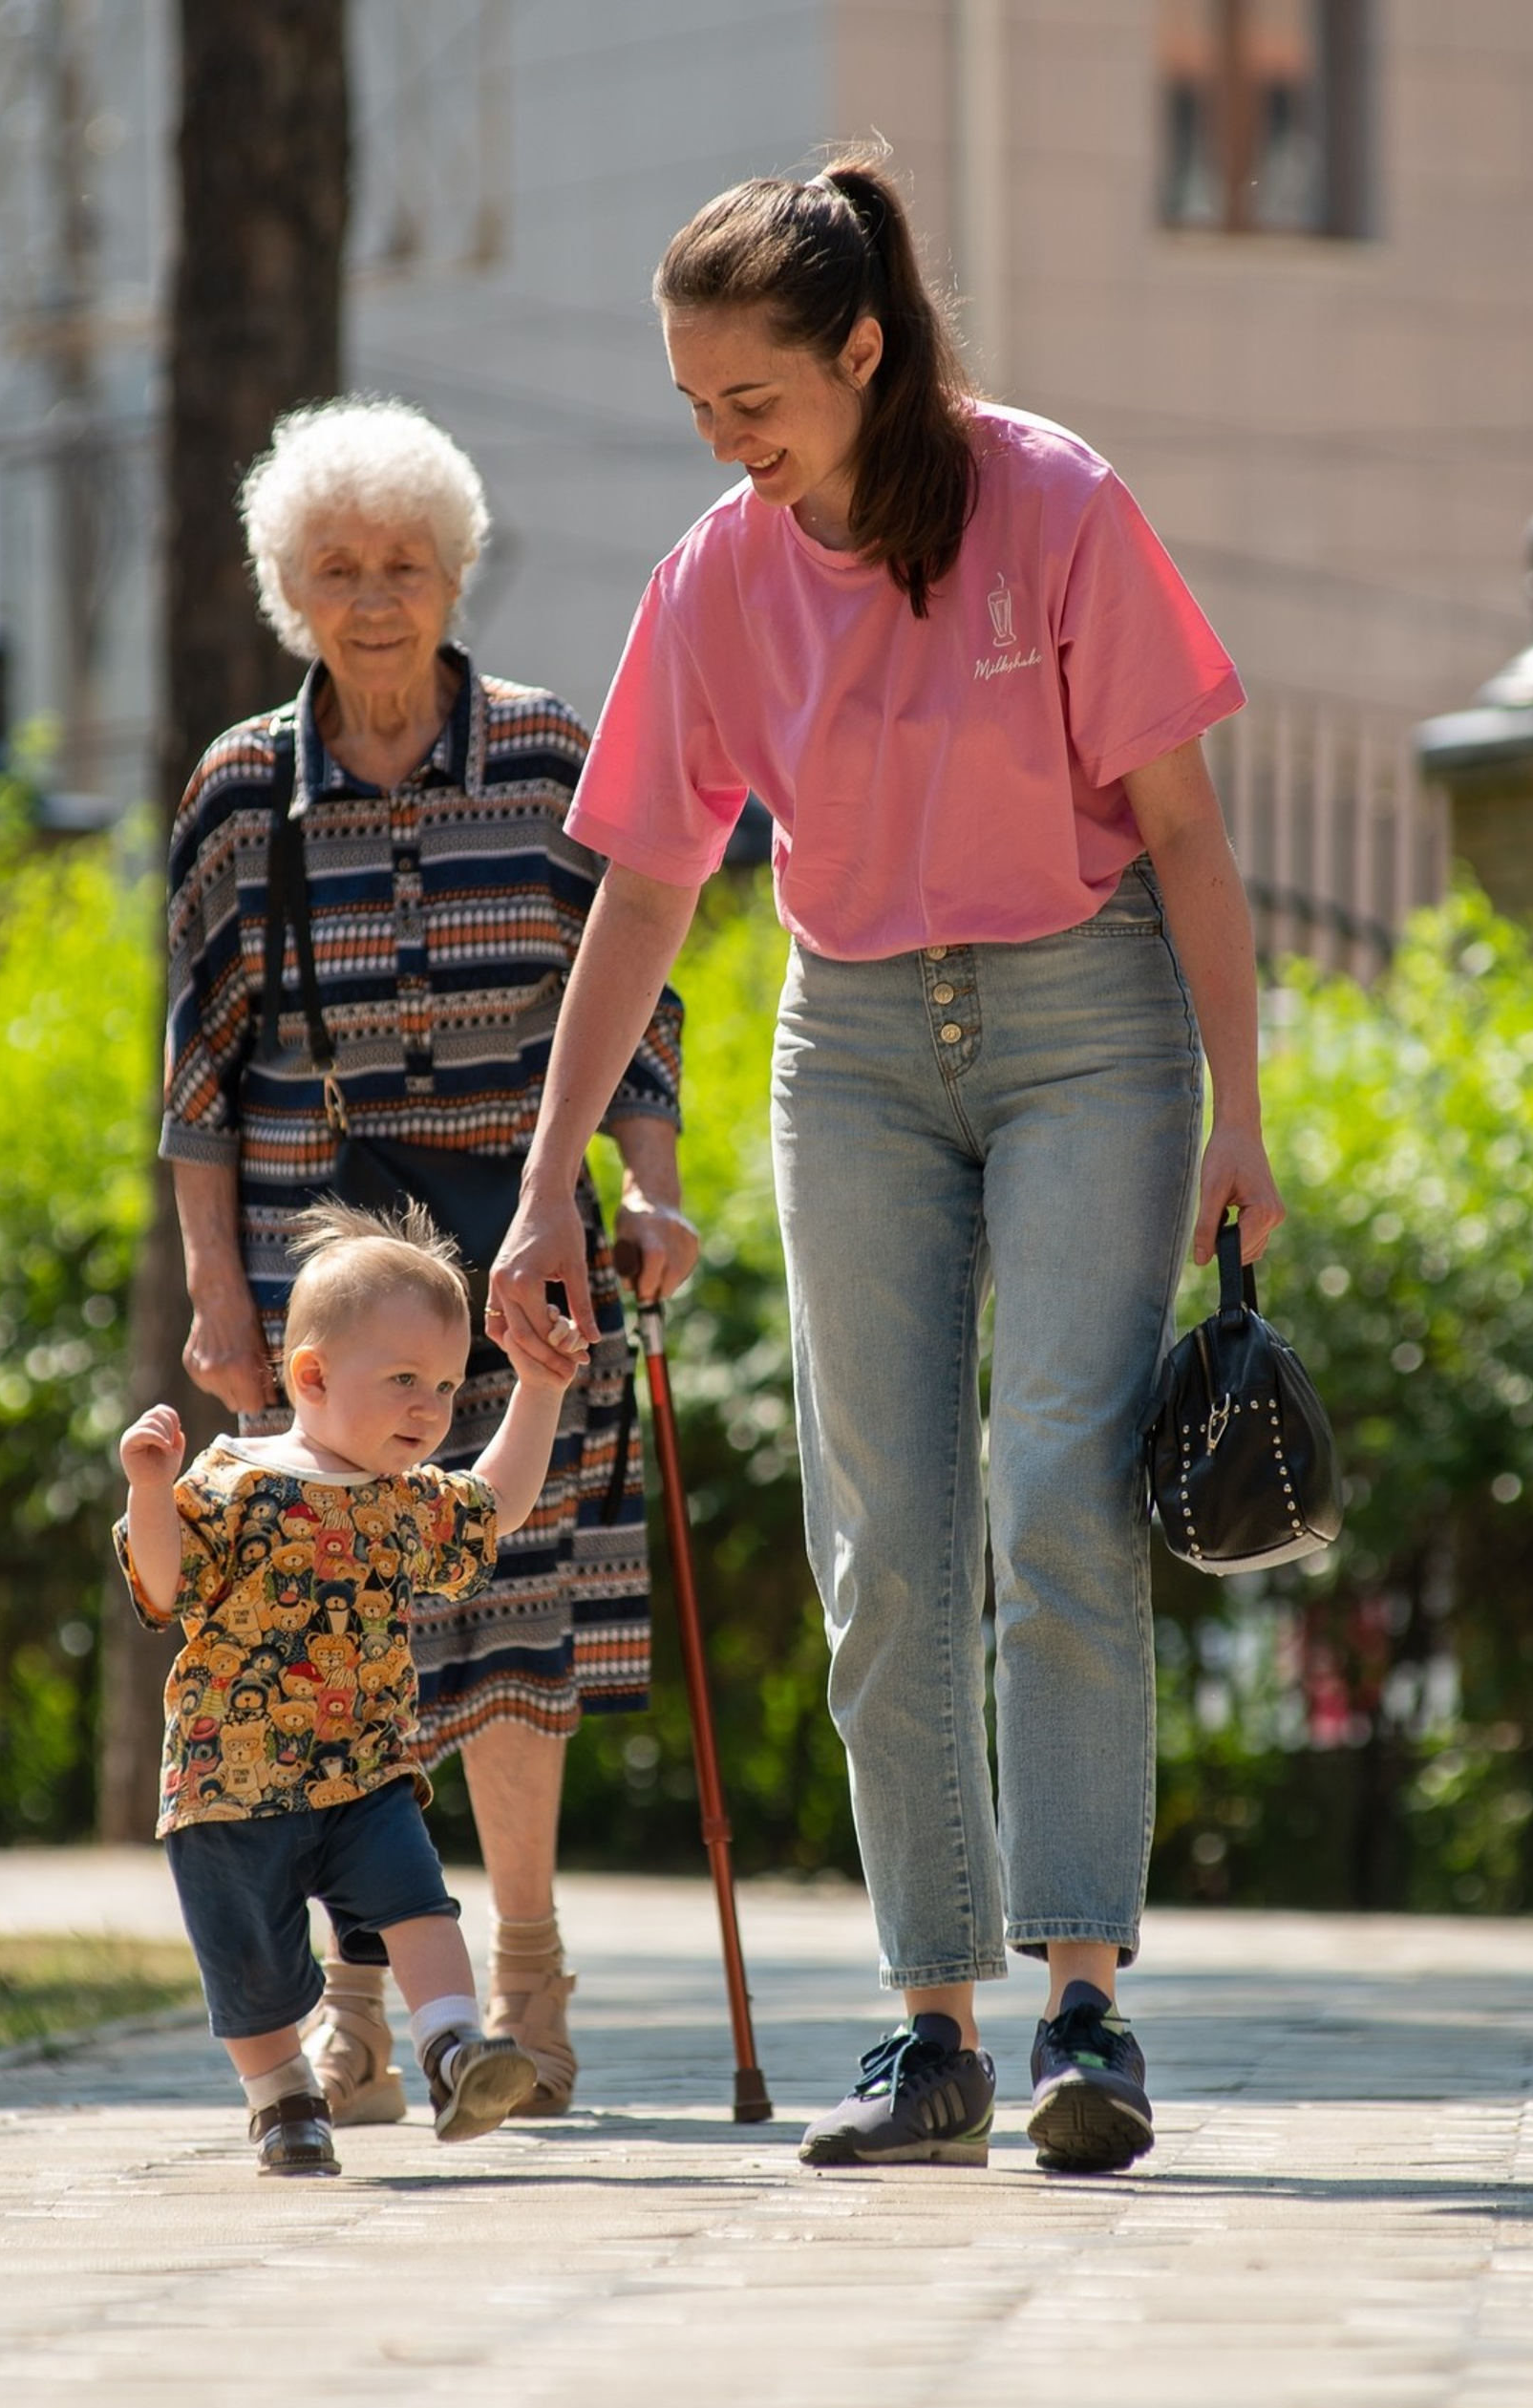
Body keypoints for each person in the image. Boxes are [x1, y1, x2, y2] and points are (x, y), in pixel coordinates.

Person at [489, 155, 1284, 2176]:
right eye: (692, 407)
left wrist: (1245, 1116)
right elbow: (650, 890)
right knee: (879, 1536)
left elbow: (1186, 835)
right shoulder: (716, 571)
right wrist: (541, 1178)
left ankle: (1081, 2002)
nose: (724, 444)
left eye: (751, 399)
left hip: (1087, 1023)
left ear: (863, 349)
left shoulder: (1052, 506)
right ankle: (925, 2023)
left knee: (1051, 1488)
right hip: (845, 1039)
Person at [160, 398, 701, 2123]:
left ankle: (525, 1985)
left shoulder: (551, 757)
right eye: (338, 569)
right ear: (289, 591)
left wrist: (655, 1189)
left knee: (512, 1605)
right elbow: (195, 1071)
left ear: (456, 573)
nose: (375, 597)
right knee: (322, 1621)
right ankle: (360, 2012)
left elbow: (647, 1010)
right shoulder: (245, 786)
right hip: (317, 1277)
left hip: (526, 1245)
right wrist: (218, 1296)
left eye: (405, 564)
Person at [117, 1200, 592, 2174]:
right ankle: (283, 2097)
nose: (430, 1408)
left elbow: (493, 1503)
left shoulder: (402, 1499)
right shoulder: (233, 1481)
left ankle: (456, 2050)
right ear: (312, 1376)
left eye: (449, 1387)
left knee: (418, 1903)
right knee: (248, 1966)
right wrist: (147, 1491)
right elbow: (161, 1587)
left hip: (365, 1772)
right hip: (229, 1783)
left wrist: (536, 1390)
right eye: (405, 1380)